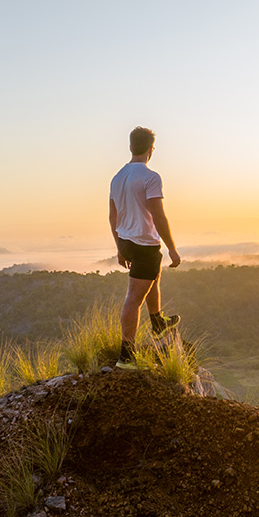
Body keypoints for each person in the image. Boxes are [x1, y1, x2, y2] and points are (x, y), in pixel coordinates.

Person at [109, 126, 181, 369]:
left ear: (130, 147)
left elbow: (113, 216)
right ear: (151, 149)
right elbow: (158, 215)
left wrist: (119, 247)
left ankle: (157, 322)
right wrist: (172, 247)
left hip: (127, 242)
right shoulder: (151, 177)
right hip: (144, 245)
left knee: (153, 277)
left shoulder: (117, 177)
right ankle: (126, 357)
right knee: (133, 298)